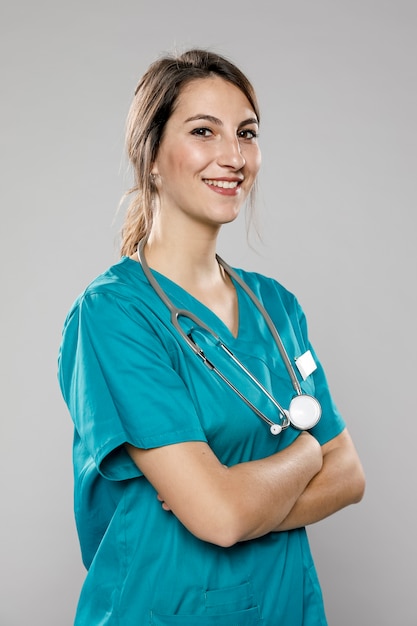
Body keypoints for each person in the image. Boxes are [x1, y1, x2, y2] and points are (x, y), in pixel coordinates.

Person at [58, 48, 365, 625]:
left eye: (246, 134)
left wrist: (237, 499)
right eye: (204, 131)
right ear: (150, 154)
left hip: (284, 607)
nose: (233, 156)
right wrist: (306, 451)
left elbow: (349, 476)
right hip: (163, 609)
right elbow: (221, 518)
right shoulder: (114, 316)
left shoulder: (275, 305)